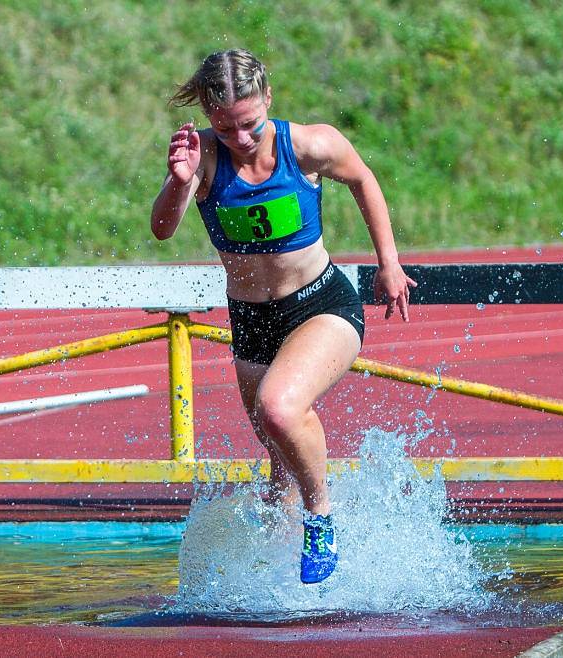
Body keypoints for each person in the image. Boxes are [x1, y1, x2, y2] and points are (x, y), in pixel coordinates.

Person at [151, 49, 416, 584]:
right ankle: (294, 583)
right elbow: (162, 229)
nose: (240, 139)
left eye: (249, 124)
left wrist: (389, 264)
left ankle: (323, 517)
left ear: (268, 99)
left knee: (279, 407)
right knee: (278, 456)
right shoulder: (200, 155)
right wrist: (179, 183)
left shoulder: (310, 144)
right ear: (207, 112)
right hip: (251, 321)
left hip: (322, 304)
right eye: (224, 127)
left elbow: (364, 180)